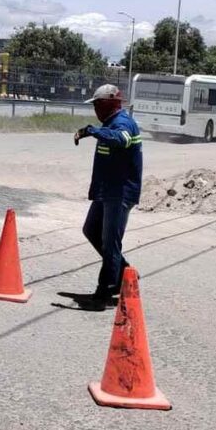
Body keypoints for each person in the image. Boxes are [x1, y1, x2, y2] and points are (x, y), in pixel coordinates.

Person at [72, 83, 143, 308]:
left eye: (97, 104)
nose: (95, 109)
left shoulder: (123, 123)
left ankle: (105, 290)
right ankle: (124, 272)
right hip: (107, 191)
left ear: (108, 103)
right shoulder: (111, 123)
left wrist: (92, 131)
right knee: (91, 230)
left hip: (120, 193)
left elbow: (120, 139)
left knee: (110, 243)